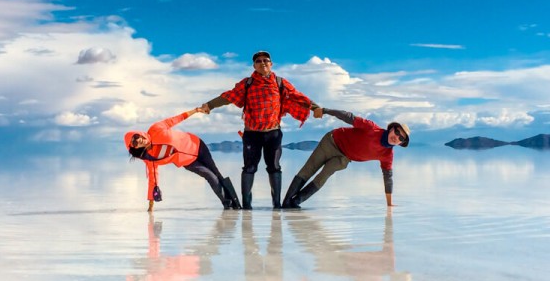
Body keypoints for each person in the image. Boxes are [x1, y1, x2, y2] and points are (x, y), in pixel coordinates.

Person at [200, 51, 321, 210]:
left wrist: (315, 107)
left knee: (274, 167)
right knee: (249, 168)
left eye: (266, 60)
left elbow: (297, 96)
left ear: (271, 64)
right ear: (254, 65)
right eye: (258, 61)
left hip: (273, 133)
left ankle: (276, 205)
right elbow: (228, 97)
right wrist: (209, 105)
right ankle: (246, 206)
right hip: (252, 134)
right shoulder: (248, 83)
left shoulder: (280, 83)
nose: (262, 63)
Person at [282, 108, 410, 208]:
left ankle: (295, 202)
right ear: (391, 129)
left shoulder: (387, 155)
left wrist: (389, 203)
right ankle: (285, 203)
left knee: (323, 176)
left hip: (344, 158)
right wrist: (325, 111)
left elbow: (388, 177)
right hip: (331, 142)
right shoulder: (372, 128)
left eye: (401, 138)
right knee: (310, 168)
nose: (397, 137)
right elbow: (347, 116)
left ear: (401, 143)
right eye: (397, 132)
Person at [124, 108, 241, 211]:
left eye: (136, 137)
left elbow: (176, 119)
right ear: (135, 148)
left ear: (138, 133)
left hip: (197, 145)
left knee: (217, 174)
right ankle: (227, 204)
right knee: (210, 176)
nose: (138, 140)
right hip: (189, 162)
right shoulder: (149, 158)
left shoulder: (156, 129)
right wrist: (150, 204)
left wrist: (195, 111)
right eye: (134, 143)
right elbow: (153, 178)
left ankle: (236, 203)